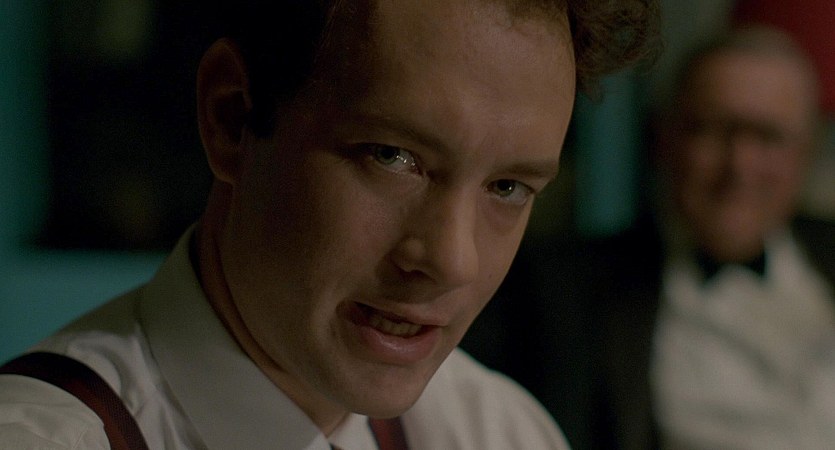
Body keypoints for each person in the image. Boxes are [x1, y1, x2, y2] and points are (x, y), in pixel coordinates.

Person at [0, 0, 658, 448]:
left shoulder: (495, 431)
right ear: (231, 118)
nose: (452, 260)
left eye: (508, 187)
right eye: (391, 156)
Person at [464, 25, 835, 449]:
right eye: (713, 131)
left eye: (767, 137)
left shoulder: (826, 253)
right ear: (665, 138)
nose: (740, 167)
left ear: (807, 151)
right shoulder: (562, 290)